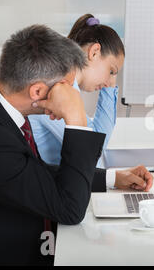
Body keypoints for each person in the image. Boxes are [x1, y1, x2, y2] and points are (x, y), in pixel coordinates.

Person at [0, 25, 153, 266]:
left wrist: (112, 178)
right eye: (67, 89)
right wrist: (75, 118)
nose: (72, 96)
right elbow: (70, 210)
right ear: (38, 91)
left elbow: (32, 174)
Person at [29, 14, 123, 167]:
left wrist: (111, 83)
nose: (109, 82)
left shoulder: (68, 87)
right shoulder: (56, 88)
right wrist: (110, 88)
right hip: (54, 182)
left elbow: (97, 137)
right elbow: (94, 152)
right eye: (111, 71)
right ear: (94, 52)